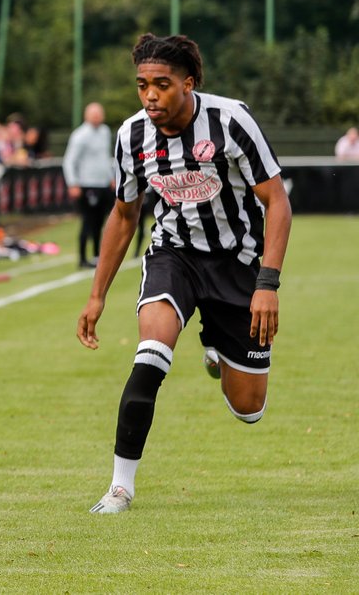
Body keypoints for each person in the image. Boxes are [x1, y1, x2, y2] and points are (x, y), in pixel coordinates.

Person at [78, 33, 291, 514]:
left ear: (188, 83)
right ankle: (120, 488)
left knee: (249, 409)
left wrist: (267, 284)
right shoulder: (131, 135)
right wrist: (96, 295)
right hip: (173, 255)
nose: (150, 96)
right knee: (150, 355)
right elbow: (125, 215)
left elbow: (277, 201)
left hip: (237, 263)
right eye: (142, 85)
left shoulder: (231, 120)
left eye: (162, 84)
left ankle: (216, 344)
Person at [63, 102, 115, 269]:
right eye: (93, 113)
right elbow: (69, 161)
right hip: (87, 184)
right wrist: (73, 183)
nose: (97, 116)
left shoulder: (105, 131)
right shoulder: (80, 135)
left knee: (101, 222)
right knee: (87, 221)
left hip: (103, 183)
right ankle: (82, 257)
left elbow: (105, 157)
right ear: (86, 115)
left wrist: (111, 177)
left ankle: (97, 255)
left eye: (99, 113)